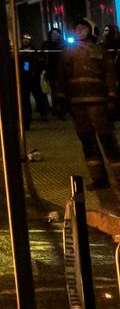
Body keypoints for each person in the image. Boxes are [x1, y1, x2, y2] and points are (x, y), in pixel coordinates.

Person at [56, 19, 120, 189]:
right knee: (87, 140)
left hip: (99, 103)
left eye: (83, 28)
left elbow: (110, 74)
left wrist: (112, 97)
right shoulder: (67, 52)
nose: (79, 31)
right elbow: (61, 76)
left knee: (107, 139)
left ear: (90, 30)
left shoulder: (100, 50)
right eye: (76, 28)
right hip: (77, 104)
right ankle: (99, 178)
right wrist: (61, 99)